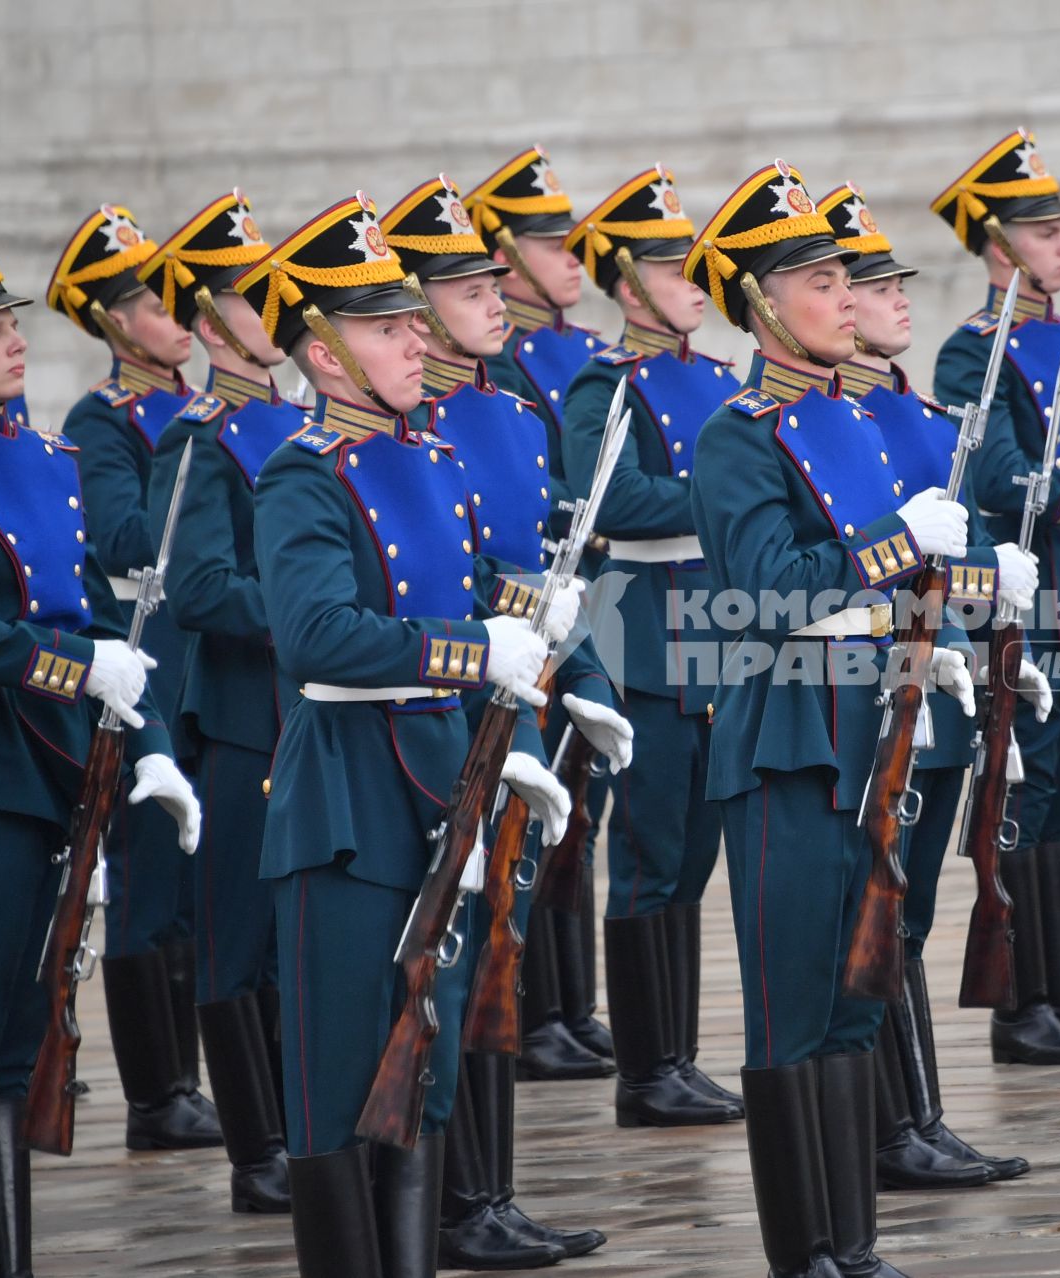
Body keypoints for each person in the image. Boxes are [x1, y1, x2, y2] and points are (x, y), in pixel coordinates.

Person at [231, 191, 573, 1276]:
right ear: (324, 355)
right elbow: (317, 634)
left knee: (423, 1065)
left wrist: (535, 644)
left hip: (441, 784)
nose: (416, 334)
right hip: (344, 800)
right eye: (386, 325)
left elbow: (471, 594)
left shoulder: (435, 458)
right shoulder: (303, 472)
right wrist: (476, 649)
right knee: (341, 1082)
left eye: (409, 317)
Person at [687, 157, 980, 1278]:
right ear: (762, 302)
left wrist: (938, 637)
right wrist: (901, 542)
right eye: (820, 282)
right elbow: (767, 587)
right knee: (791, 1007)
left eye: (845, 279)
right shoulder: (738, 434)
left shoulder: (850, 418)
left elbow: (886, 582)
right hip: (788, 737)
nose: (846, 299)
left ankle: (855, 1246)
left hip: (874, 721)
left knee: (862, 988)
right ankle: (803, 1252)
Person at [0, 202, 199, 1275]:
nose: (14, 340)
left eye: (9, 322)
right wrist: (76, 672)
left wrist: (154, 739)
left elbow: (87, 615)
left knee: (16, 1033)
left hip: (49, 758)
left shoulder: (38, 455)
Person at [381, 171, 626, 1269]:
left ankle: (492, 1188)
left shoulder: (513, 412)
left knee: (497, 942)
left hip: (518, 699)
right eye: (466, 287)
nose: (492, 300)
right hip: (440, 713)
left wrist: (566, 642)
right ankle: (450, 1197)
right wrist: (519, 619)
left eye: (493, 282)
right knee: (445, 945)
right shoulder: (407, 428)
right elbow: (438, 583)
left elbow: (520, 564)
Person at [820, 180, 1039, 1190]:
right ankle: (888, 1132)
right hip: (885, 684)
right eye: (872, 286)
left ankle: (921, 1118)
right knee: (880, 903)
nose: (898, 298)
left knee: (908, 916)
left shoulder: (913, 408)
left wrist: (1004, 609)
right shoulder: (843, 420)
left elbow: (961, 546)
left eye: (897, 282)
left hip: (948, 680)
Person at [930, 128, 1060, 1066]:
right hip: (1033, 594)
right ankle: (1021, 1007)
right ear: (996, 244)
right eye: (1043, 232)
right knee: (1029, 780)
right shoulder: (976, 352)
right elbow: (1002, 478)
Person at [561, 166, 746, 1127]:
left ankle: (679, 1052)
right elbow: (612, 499)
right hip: (640, 618)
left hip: (711, 617)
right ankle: (645, 1071)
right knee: (645, 853)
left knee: (696, 854)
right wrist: (725, 503)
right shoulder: (606, 383)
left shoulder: (720, 378)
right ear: (629, 287)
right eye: (673, 271)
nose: (691, 285)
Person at [138, 190, 302, 1213]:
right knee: (239, 933)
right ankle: (257, 1153)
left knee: (301, 932)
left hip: (309, 709)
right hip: (243, 716)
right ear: (206, 326)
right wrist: (312, 611)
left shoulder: (300, 423)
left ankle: (302, 1126)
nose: (268, 315)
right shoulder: (200, 438)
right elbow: (197, 588)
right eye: (248, 300)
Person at [46, 202, 221, 1152]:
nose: (179, 319)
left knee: (205, 879)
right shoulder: (103, 421)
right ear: (115, 320)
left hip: (214, 653)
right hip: (156, 653)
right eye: (158, 305)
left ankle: (201, 1073)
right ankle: (158, 1092)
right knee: (153, 877)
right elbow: (113, 535)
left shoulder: (208, 410)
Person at [466, 147, 618, 1082]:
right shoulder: (508, 372)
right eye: (547, 245)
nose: (571, 259)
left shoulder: (562, 367)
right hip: (493, 638)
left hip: (566, 610)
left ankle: (568, 1005)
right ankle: (529, 1010)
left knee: (569, 815)